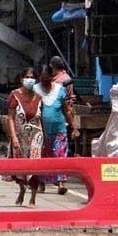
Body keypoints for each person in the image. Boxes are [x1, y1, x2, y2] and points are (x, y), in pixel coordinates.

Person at [34, 64, 78, 195]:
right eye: (42, 77)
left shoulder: (59, 90)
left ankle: (61, 183)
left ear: (51, 77)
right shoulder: (36, 90)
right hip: (42, 131)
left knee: (60, 155)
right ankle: (41, 182)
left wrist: (74, 127)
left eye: (47, 77)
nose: (44, 79)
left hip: (59, 130)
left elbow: (66, 110)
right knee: (44, 157)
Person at [5, 66, 44, 207]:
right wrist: (14, 137)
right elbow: (10, 117)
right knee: (20, 166)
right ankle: (22, 190)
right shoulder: (15, 95)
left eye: (32, 77)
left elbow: (42, 117)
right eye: (27, 77)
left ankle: (33, 196)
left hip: (36, 136)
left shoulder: (39, 97)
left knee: (35, 165)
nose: (30, 80)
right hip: (19, 136)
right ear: (22, 79)